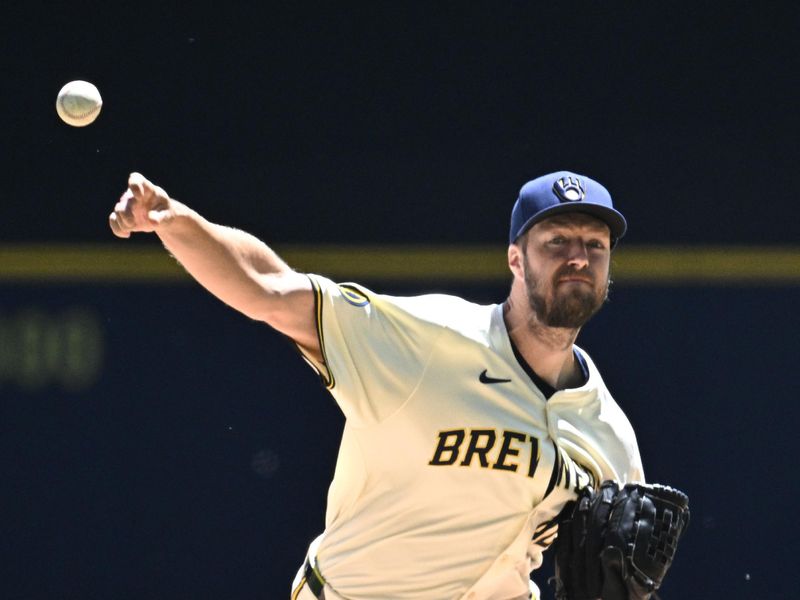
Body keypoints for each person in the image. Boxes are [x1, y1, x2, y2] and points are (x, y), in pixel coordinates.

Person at [109, 170, 644, 600]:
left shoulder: (609, 435)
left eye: (595, 245)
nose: (578, 257)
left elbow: (622, 574)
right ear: (515, 258)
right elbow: (272, 289)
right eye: (556, 242)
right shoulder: (430, 340)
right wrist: (173, 221)